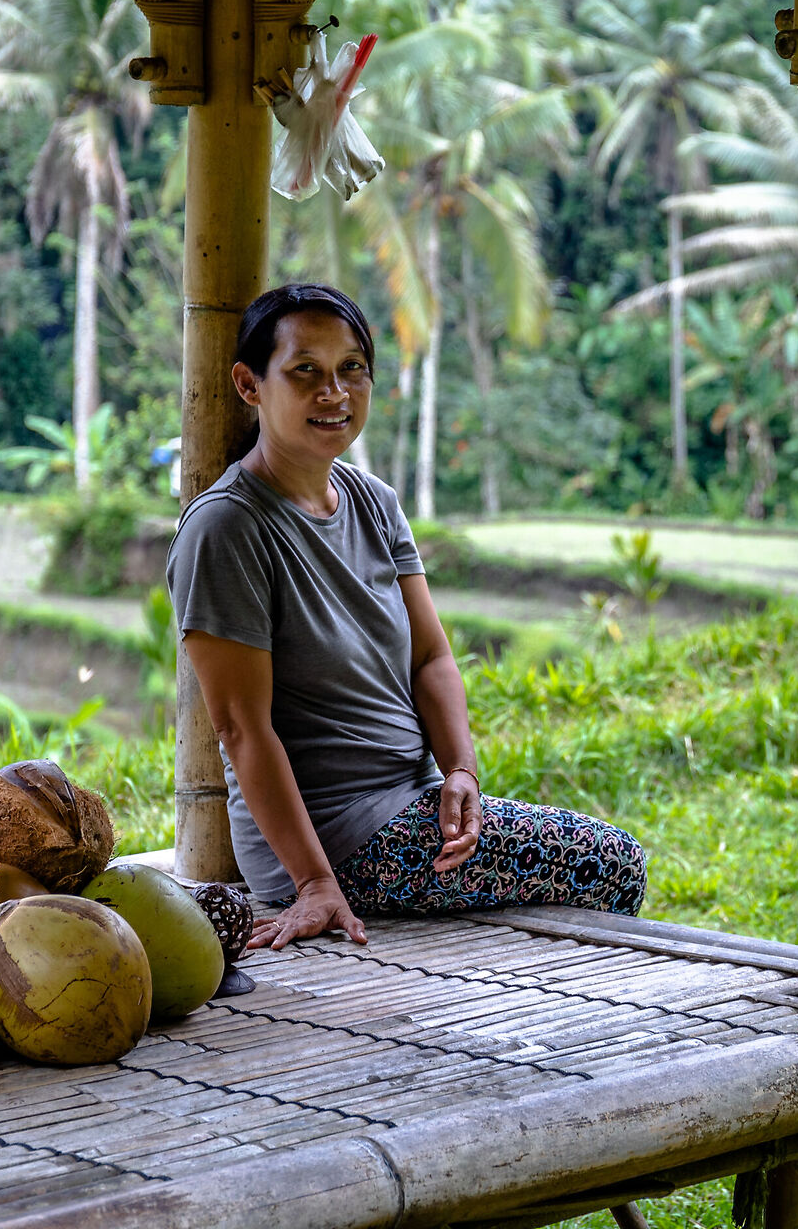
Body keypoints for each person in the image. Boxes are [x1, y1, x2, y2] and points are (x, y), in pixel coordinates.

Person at [167, 283, 647, 951]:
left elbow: (431, 659)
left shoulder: (373, 502)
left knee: (591, 872)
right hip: (338, 839)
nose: (334, 392)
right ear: (249, 384)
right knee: (613, 862)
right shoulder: (227, 529)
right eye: (305, 371)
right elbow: (241, 728)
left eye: (352, 368)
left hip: (414, 803)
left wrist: (461, 771)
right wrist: (313, 883)